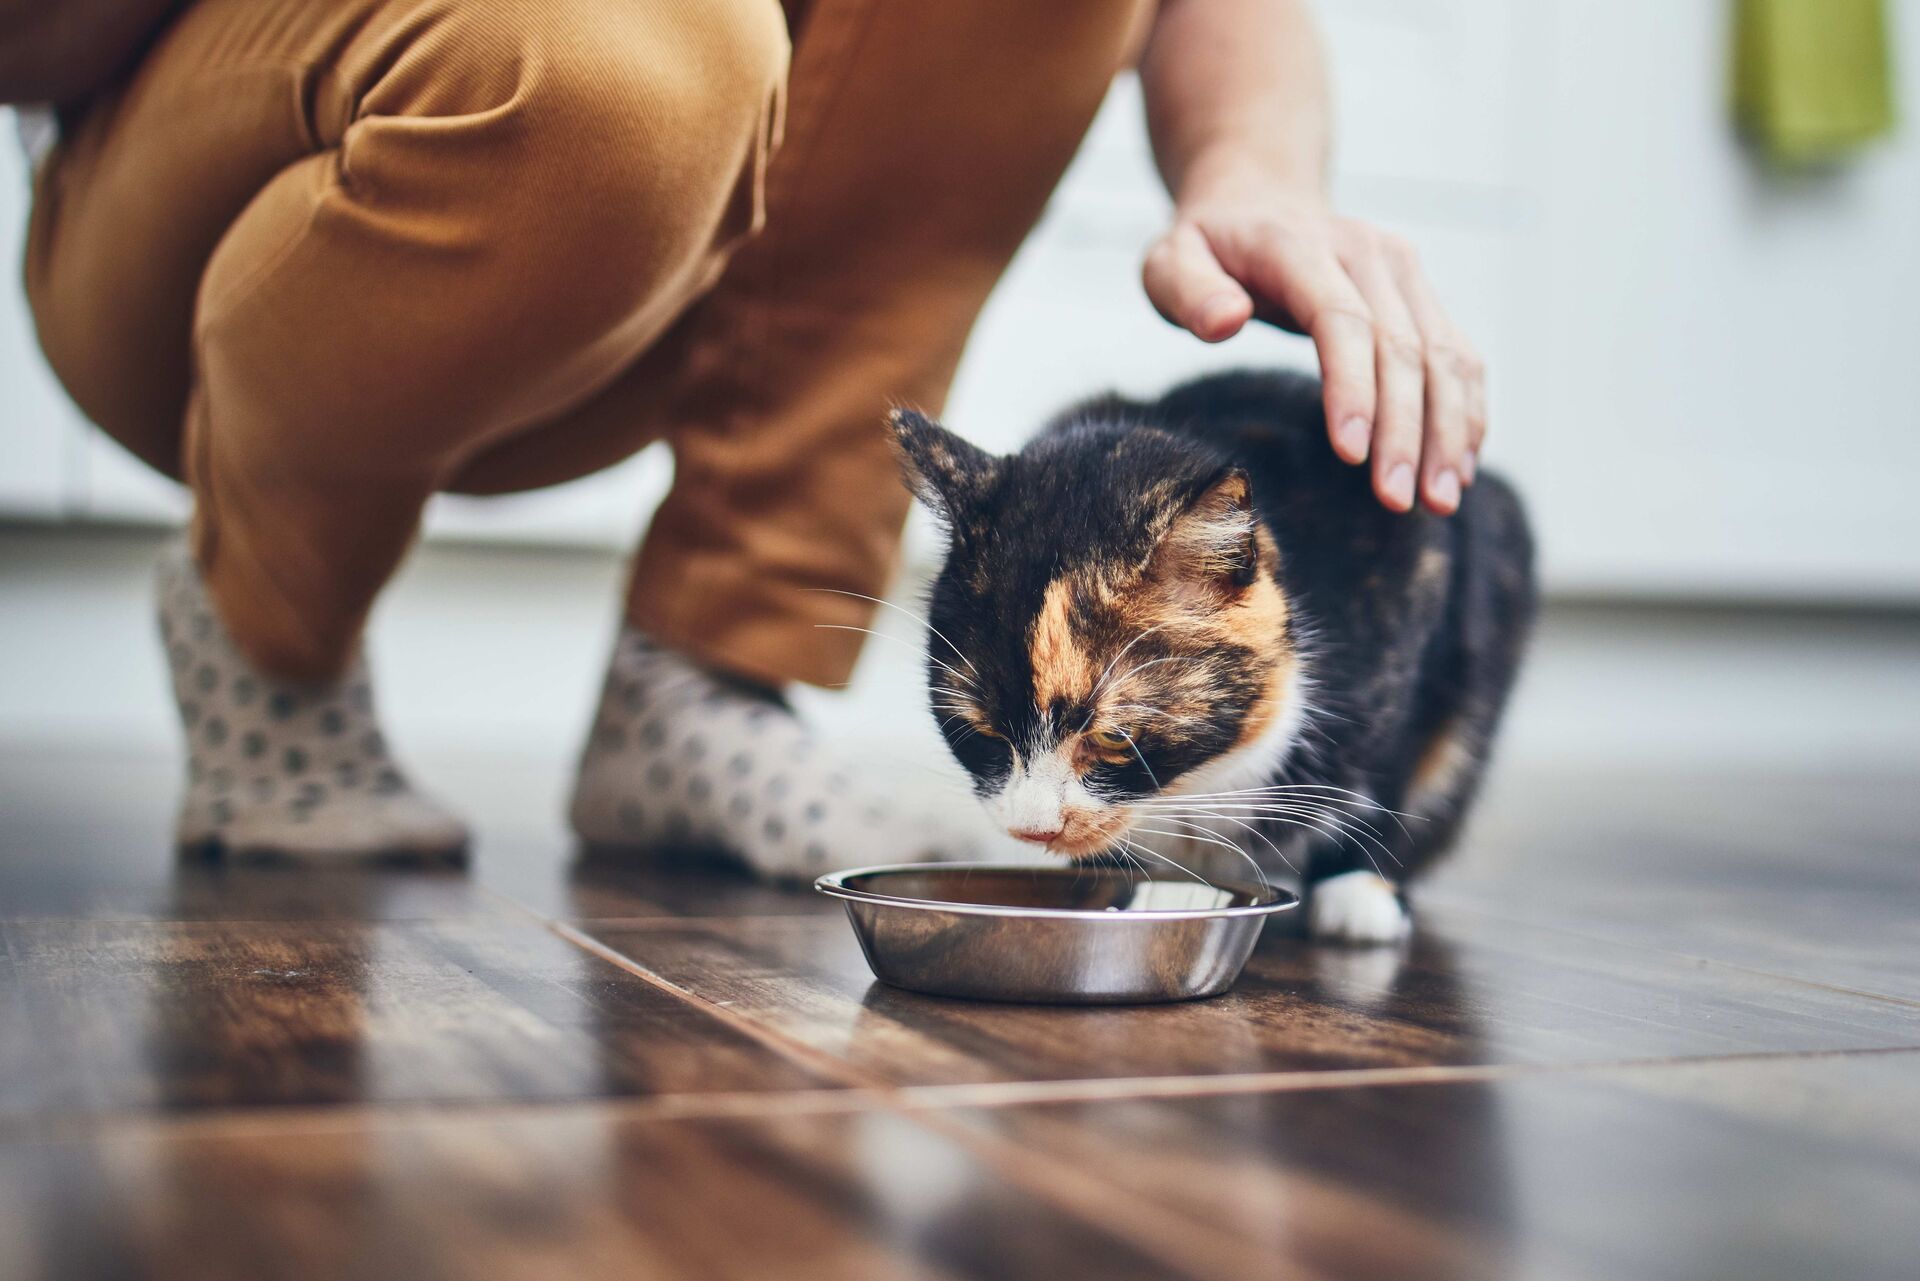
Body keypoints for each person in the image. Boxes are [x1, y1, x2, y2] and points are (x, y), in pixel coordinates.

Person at [15, 0, 1487, 868]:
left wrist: (1253, 176)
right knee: (639, 57)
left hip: (646, 275)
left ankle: (708, 666)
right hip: (218, 222)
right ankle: (269, 626)